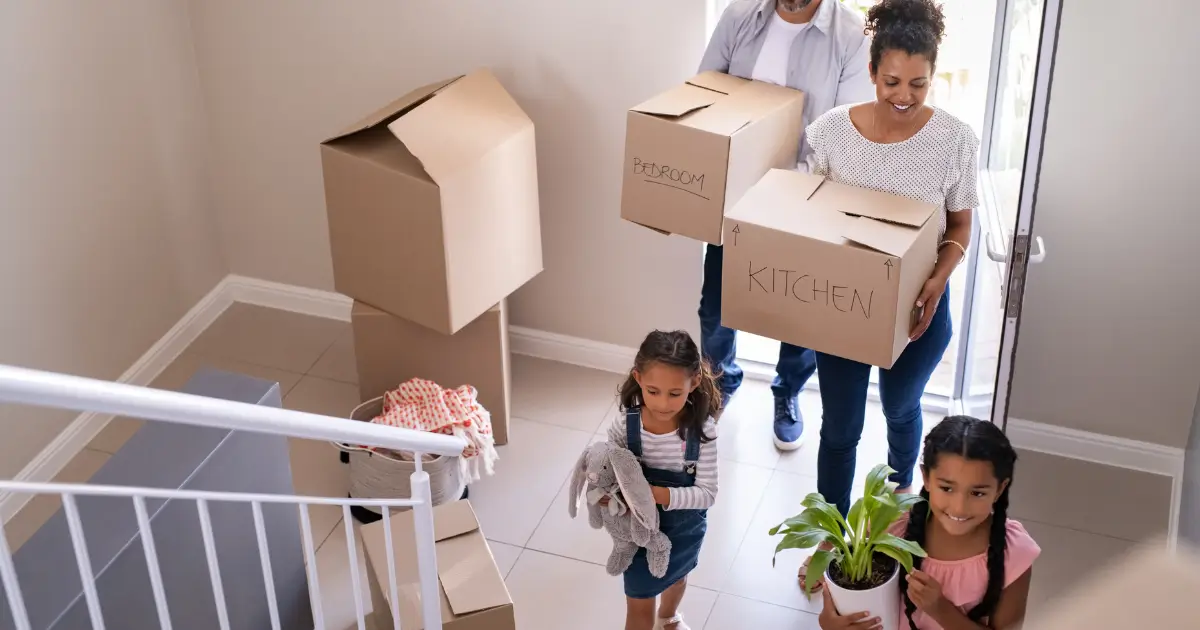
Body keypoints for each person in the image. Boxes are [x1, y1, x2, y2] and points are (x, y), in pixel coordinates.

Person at [803, 0, 979, 518]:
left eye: (918, 84)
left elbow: (961, 225)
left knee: (902, 408)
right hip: (844, 308)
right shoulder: (831, 132)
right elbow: (809, 216)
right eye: (892, 81)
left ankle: (903, 498)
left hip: (919, 310)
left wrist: (937, 283)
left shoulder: (955, 141)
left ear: (933, 78)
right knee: (839, 429)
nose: (904, 95)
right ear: (872, 72)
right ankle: (826, 537)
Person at [697, 0, 874, 451]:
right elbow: (705, 91)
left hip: (805, 200)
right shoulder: (740, 16)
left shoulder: (851, 36)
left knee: (800, 316)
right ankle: (718, 385)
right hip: (735, 195)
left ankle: (788, 392)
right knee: (716, 308)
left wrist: (787, 177)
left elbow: (849, 134)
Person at [818, 416, 1040, 630]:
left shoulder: (1014, 554)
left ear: (1000, 489)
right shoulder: (891, 526)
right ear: (926, 477)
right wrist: (829, 620)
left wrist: (941, 610)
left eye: (977, 493)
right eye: (947, 488)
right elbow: (850, 583)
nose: (959, 507)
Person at [606, 330, 721, 630]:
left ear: (694, 383)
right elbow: (610, 467)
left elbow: (707, 493)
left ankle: (668, 617)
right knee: (639, 600)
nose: (663, 403)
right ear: (639, 378)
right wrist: (609, 493)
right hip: (637, 532)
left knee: (677, 577)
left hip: (684, 528)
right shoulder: (625, 424)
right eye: (653, 391)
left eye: (675, 393)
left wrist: (656, 494)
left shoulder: (701, 430)